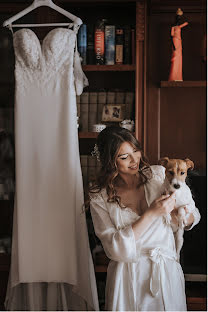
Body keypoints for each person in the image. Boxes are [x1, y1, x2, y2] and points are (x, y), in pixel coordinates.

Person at [89, 126, 200, 311]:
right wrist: (151, 214)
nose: (134, 160)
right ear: (110, 162)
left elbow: (194, 215)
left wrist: (181, 217)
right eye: (124, 157)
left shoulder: (157, 174)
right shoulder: (100, 197)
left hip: (165, 273)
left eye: (135, 151)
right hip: (127, 279)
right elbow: (114, 249)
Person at [168, 8, 188, 81]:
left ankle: (178, 77)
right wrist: (174, 45)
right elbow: (171, 36)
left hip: (179, 42)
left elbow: (186, 23)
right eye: (178, 18)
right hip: (175, 41)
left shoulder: (179, 26)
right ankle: (173, 77)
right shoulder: (173, 27)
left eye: (179, 18)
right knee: (175, 58)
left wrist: (180, 14)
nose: (178, 20)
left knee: (179, 58)